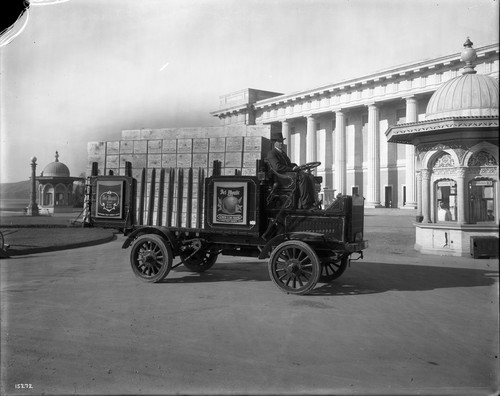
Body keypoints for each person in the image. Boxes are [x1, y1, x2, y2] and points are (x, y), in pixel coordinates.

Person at [266, 130, 317, 210]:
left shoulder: (282, 153)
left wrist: (297, 166)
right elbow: (277, 167)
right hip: (281, 178)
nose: (281, 143)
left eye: (281, 141)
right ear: (274, 142)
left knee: (308, 176)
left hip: (287, 175)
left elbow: (288, 164)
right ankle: (306, 204)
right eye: (279, 142)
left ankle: (311, 202)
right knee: (303, 177)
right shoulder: (272, 153)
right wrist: (292, 169)